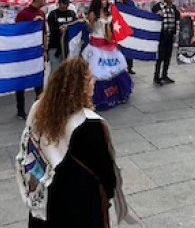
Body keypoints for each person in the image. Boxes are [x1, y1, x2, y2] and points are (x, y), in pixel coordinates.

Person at [23, 58, 124, 227]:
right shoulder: (89, 124)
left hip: (45, 201)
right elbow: (106, 172)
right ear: (79, 88)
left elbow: (27, 150)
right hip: (79, 207)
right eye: (90, 79)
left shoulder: (38, 109)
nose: (95, 82)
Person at [80, 0, 132, 110]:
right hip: (96, 45)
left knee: (114, 69)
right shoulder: (93, 14)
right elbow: (91, 27)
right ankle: (95, 96)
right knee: (97, 71)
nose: (105, 1)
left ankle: (115, 93)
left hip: (108, 43)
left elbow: (110, 31)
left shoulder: (108, 13)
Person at [14, 0, 48, 119]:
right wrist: (32, 24)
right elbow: (17, 31)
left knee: (39, 81)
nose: (45, 2)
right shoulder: (23, 14)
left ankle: (39, 107)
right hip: (23, 53)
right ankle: (20, 110)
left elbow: (44, 32)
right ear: (38, 0)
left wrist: (45, 50)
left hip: (37, 52)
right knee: (21, 82)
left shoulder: (42, 13)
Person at [151, 0, 181, 85]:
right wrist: (157, 14)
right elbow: (152, 16)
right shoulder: (158, 6)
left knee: (168, 56)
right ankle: (156, 77)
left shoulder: (173, 7)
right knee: (160, 57)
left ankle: (164, 75)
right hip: (162, 35)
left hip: (170, 34)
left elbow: (178, 17)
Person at [46, 0, 78, 75]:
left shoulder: (72, 13)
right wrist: (60, 28)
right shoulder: (53, 14)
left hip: (68, 47)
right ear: (59, 3)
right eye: (64, 3)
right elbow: (52, 28)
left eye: (67, 3)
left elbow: (76, 25)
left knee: (68, 71)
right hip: (55, 46)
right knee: (55, 71)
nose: (66, 5)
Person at [111, 0, 137, 74]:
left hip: (127, 28)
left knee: (129, 47)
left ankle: (130, 67)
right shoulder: (112, 1)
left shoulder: (130, 1)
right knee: (117, 48)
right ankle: (117, 67)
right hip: (116, 28)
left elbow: (134, 12)